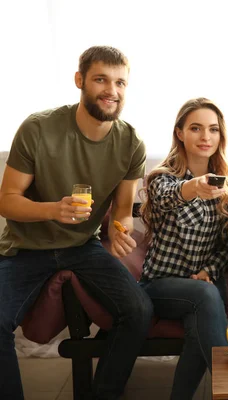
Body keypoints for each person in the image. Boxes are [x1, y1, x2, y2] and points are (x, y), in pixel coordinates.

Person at [0, 45, 153, 400]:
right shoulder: (38, 128)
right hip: (26, 247)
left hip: (82, 247)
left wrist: (119, 230)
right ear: (79, 80)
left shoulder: (131, 143)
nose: (111, 91)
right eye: (101, 79)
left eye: (120, 83)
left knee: (139, 310)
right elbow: (7, 201)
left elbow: (123, 208)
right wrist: (53, 210)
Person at [139, 97, 228, 399]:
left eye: (213, 129)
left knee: (199, 328)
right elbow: (168, 196)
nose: (205, 137)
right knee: (207, 296)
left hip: (205, 283)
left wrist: (209, 270)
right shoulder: (161, 178)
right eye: (196, 128)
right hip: (162, 284)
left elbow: (226, 247)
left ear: (221, 136)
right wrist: (193, 187)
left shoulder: (227, 185)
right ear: (180, 133)